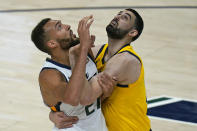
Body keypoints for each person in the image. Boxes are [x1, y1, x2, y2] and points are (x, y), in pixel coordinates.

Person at [50, 8, 151, 131]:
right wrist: (54, 113)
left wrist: (78, 52)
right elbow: (70, 89)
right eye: (118, 14)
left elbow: (85, 98)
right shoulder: (99, 52)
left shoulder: (126, 60)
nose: (117, 17)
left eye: (125, 17)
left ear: (132, 33)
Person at [31, 15, 116, 131]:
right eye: (59, 27)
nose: (68, 26)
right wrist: (84, 48)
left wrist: (105, 94)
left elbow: (89, 101)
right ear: (52, 44)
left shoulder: (83, 52)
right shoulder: (49, 75)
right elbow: (73, 98)